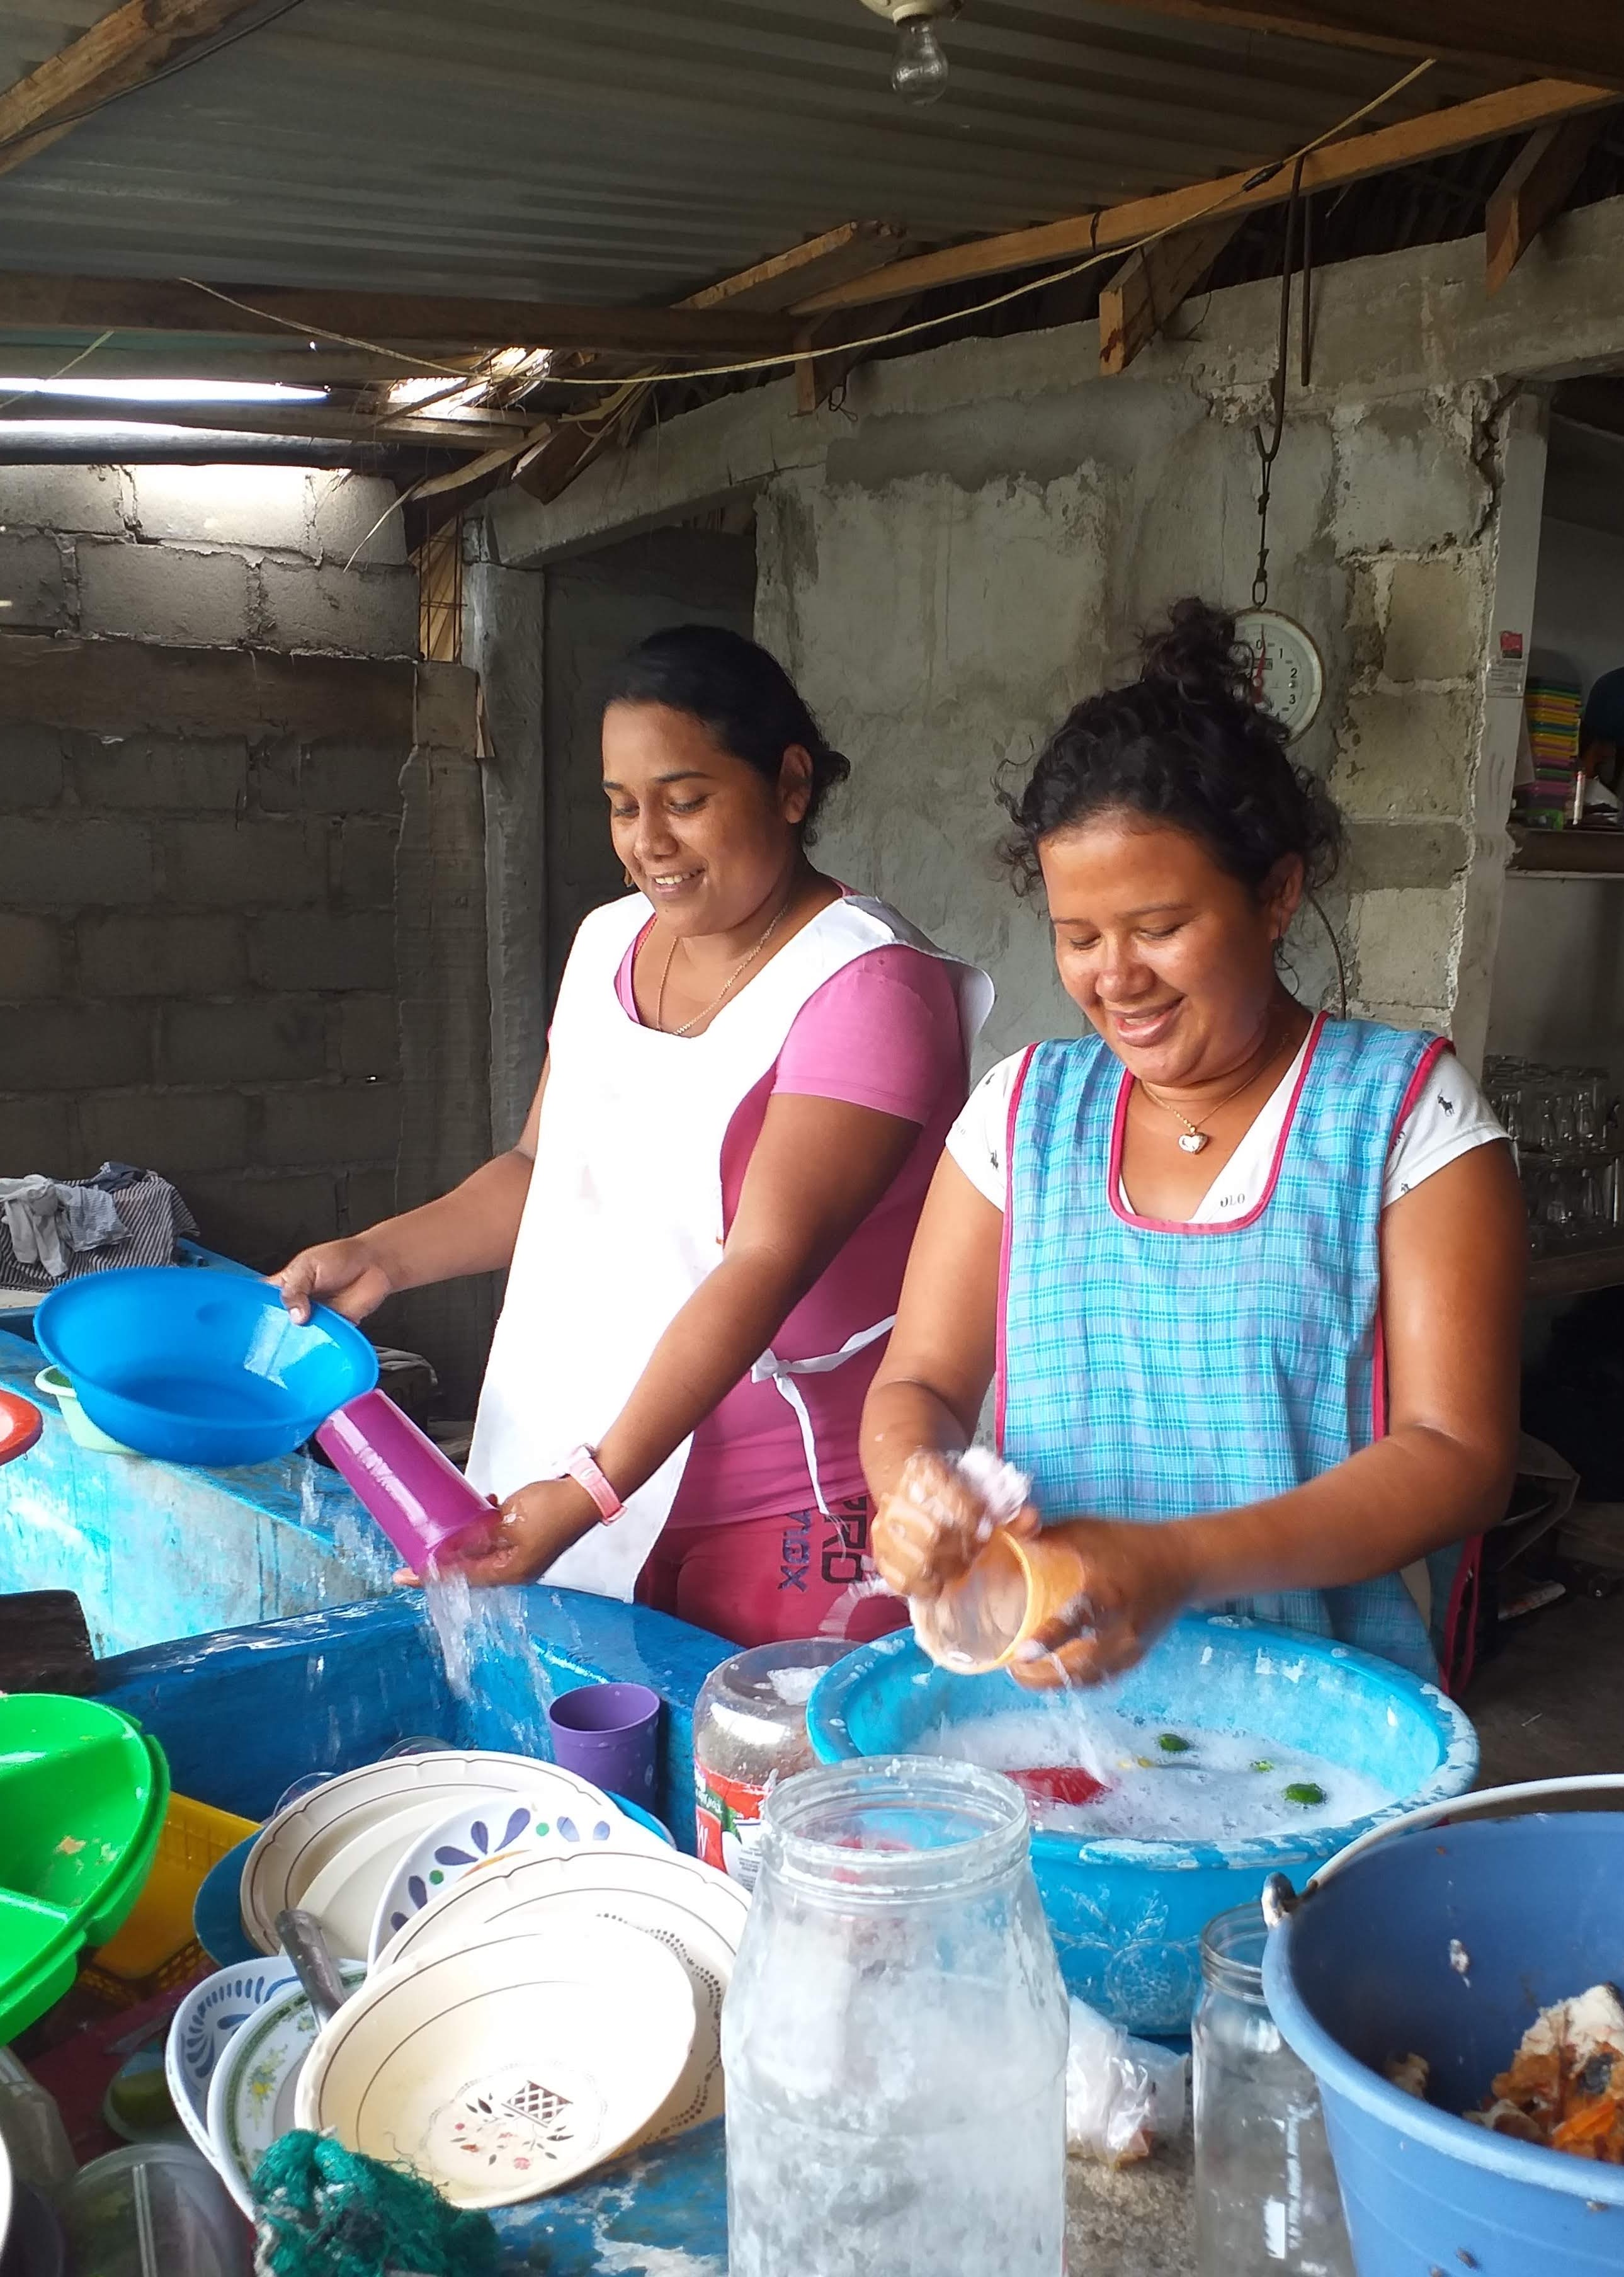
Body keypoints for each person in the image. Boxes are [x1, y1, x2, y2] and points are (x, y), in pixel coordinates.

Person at [862, 599, 1525, 1691]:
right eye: (1078, 937)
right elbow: (921, 1381)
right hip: (1052, 1693)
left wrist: (1175, 1563)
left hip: (1322, 1709)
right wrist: (914, 1488)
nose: (1114, 977)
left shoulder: (1405, 1116)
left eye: (1160, 929)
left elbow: (1458, 1460)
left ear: (1277, 894)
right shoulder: (1021, 1113)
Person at [280, 625, 989, 1641]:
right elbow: (541, 1170)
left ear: (791, 784)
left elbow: (764, 1261)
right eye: (622, 806)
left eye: (685, 800)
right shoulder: (608, 940)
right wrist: (381, 1257)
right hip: (581, 1455)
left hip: (782, 1505)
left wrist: (591, 1491)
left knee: (758, 1781)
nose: (648, 839)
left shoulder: (867, 986)